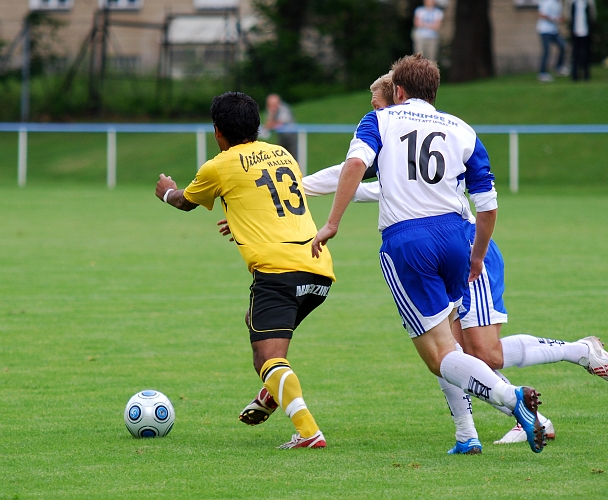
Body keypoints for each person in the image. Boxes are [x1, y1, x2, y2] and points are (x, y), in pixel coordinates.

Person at [312, 54, 549, 454]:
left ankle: (514, 400)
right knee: (453, 342)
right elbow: (488, 204)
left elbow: (354, 164)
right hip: (458, 237)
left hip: (409, 241)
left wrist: (333, 222)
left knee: (440, 354)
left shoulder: (380, 121)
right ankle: (466, 435)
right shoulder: (461, 129)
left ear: (398, 91)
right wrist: (477, 255)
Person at [154, 91, 335, 449]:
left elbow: (185, 202)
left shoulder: (218, 165)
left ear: (218, 132)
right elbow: (275, 201)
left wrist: (166, 191)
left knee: (268, 357)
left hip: (278, 272)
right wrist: (238, 219)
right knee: (257, 327)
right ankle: (272, 393)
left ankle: (308, 432)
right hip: (318, 270)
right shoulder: (281, 153)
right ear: (255, 125)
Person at [536, 0, 569, 82]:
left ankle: (558, 67)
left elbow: (560, 17)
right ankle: (542, 73)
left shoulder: (559, 4)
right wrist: (554, 19)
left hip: (554, 31)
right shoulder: (548, 2)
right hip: (544, 30)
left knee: (563, 46)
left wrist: (561, 20)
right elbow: (542, 15)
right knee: (547, 51)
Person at [565, 0, 596, 81]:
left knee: (586, 54)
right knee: (575, 54)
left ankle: (586, 75)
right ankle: (575, 75)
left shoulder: (588, 2)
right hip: (575, 32)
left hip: (586, 32)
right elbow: (568, 16)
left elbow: (593, 16)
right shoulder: (571, 2)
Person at [264, 93, 298, 158]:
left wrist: (272, 124)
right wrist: (272, 114)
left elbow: (280, 123)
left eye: (273, 104)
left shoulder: (284, 109)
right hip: (281, 137)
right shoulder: (270, 111)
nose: (272, 106)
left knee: (293, 157)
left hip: (291, 137)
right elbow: (267, 125)